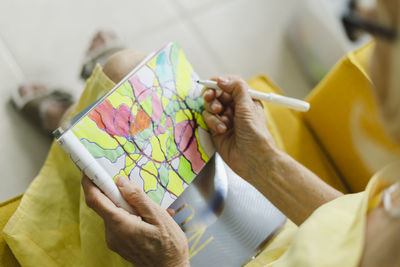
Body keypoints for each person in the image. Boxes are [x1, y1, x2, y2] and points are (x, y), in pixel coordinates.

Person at [80, 0, 400, 266]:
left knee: (113, 85)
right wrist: (263, 161)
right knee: (128, 72)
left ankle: (69, 120)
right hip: (296, 233)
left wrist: (171, 263)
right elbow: (352, 229)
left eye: (375, 29)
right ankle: (73, 119)